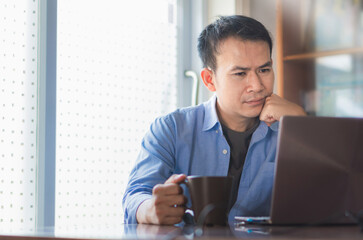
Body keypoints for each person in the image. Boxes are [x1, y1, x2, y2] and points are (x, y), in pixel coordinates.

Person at [122, 15, 306, 225]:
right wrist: (149, 210)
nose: (256, 85)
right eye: (240, 73)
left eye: (264, 70)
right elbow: (135, 195)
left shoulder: (290, 128)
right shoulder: (171, 129)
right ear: (210, 80)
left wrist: (301, 126)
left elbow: (328, 202)